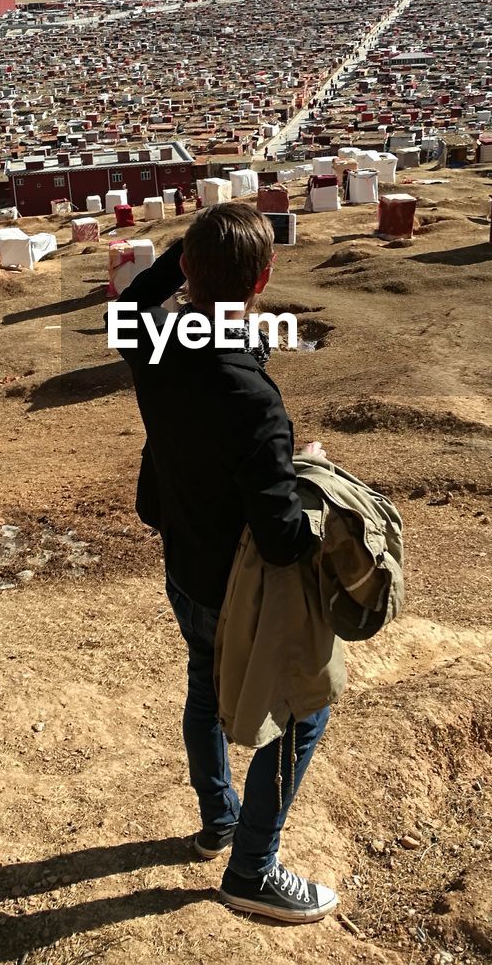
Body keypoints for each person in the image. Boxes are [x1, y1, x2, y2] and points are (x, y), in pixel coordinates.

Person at [113, 203, 338, 924]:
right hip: (240, 588)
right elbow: (279, 537)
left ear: (184, 271)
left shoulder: (150, 341)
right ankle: (252, 869)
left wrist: (188, 248)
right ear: (265, 278)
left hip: (184, 562)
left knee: (207, 687)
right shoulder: (252, 398)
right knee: (301, 710)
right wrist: (316, 493)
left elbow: (130, 301)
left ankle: (219, 816)